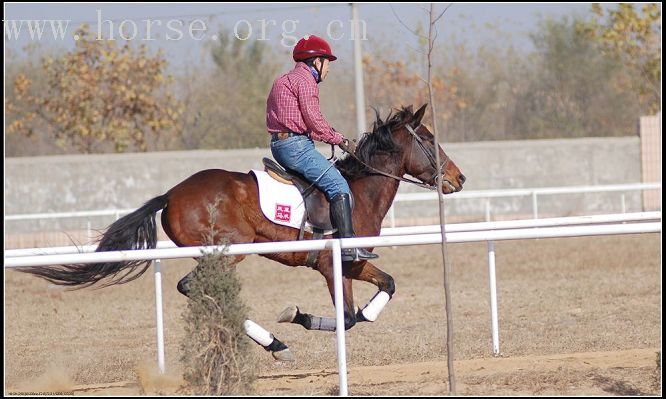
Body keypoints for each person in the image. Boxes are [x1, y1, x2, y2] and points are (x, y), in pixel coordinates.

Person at [266, 34, 378, 262]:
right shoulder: (306, 81)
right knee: (339, 185)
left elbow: (310, 124)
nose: (328, 69)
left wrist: (329, 136)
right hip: (296, 146)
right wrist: (341, 141)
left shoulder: (283, 80)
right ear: (317, 61)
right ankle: (349, 248)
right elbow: (315, 122)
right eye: (327, 63)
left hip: (280, 144)